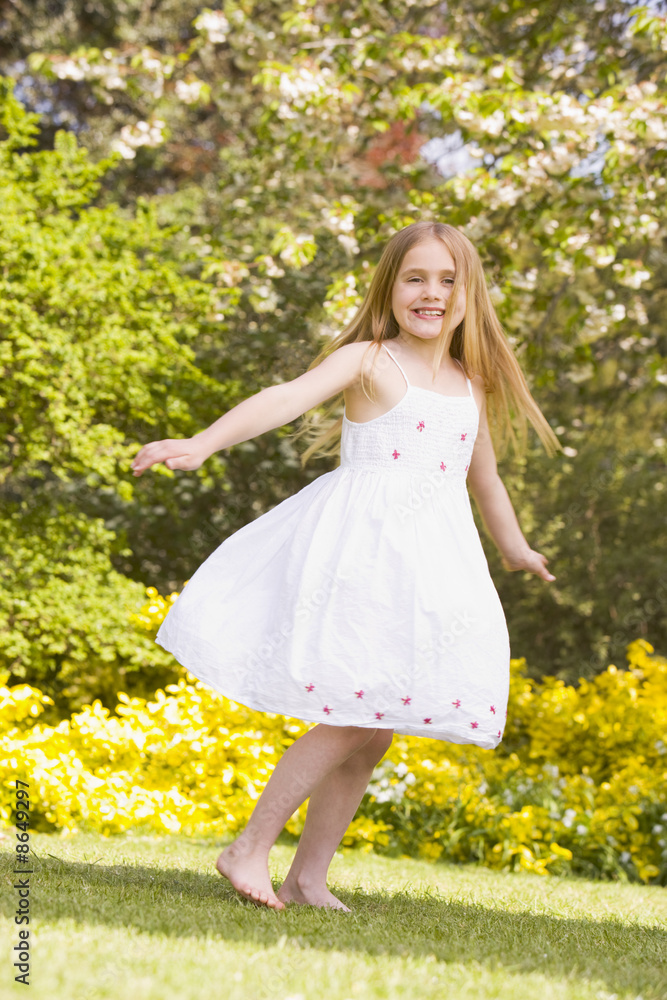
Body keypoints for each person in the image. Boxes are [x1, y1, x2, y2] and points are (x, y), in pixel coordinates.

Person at [130, 221, 561, 912]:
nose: (431, 293)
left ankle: (307, 877)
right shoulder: (368, 360)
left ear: (467, 294)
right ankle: (248, 848)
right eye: (415, 277)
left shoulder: (469, 383)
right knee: (354, 710)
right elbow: (284, 399)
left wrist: (511, 547)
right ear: (389, 286)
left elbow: (483, 479)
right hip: (364, 553)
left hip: (429, 562)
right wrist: (202, 443)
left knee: (375, 724)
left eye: (447, 281)